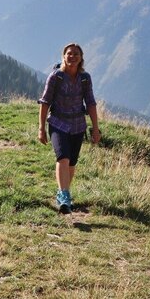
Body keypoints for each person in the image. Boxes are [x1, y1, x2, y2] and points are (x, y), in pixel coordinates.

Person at [38, 43, 100, 214]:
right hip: (58, 123)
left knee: (71, 164)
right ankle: (64, 196)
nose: (72, 57)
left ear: (81, 59)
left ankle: (63, 192)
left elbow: (91, 103)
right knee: (63, 158)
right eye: (69, 54)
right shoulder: (55, 77)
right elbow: (45, 102)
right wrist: (41, 128)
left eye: (76, 54)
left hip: (78, 126)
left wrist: (95, 128)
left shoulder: (85, 78)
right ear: (63, 56)